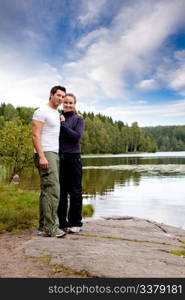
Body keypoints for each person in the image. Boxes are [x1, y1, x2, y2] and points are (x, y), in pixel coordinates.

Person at [32, 85, 66, 238]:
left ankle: (42, 226)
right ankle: (51, 228)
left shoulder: (55, 112)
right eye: (58, 95)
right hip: (45, 153)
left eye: (62, 96)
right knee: (53, 190)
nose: (61, 98)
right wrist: (41, 156)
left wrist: (61, 118)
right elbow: (35, 135)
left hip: (53, 153)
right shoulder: (41, 112)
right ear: (51, 95)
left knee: (46, 191)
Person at [58, 93, 84, 233]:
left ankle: (75, 223)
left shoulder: (78, 119)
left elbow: (76, 137)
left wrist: (62, 124)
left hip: (74, 158)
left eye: (71, 103)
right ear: (62, 103)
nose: (68, 105)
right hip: (60, 158)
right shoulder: (57, 117)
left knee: (75, 191)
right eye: (66, 102)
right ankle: (62, 223)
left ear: (75, 104)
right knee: (61, 192)